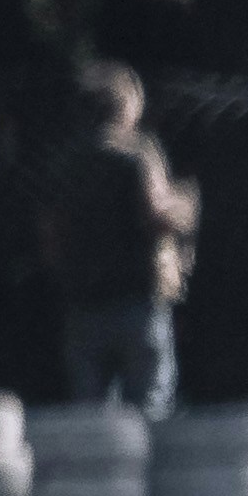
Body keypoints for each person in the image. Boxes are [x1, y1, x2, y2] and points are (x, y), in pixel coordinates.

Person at [39, 62, 196, 415]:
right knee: (150, 405)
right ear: (126, 106)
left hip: (83, 303)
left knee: (90, 410)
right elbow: (156, 215)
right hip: (137, 300)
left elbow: (50, 234)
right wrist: (185, 206)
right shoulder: (136, 155)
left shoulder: (64, 165)